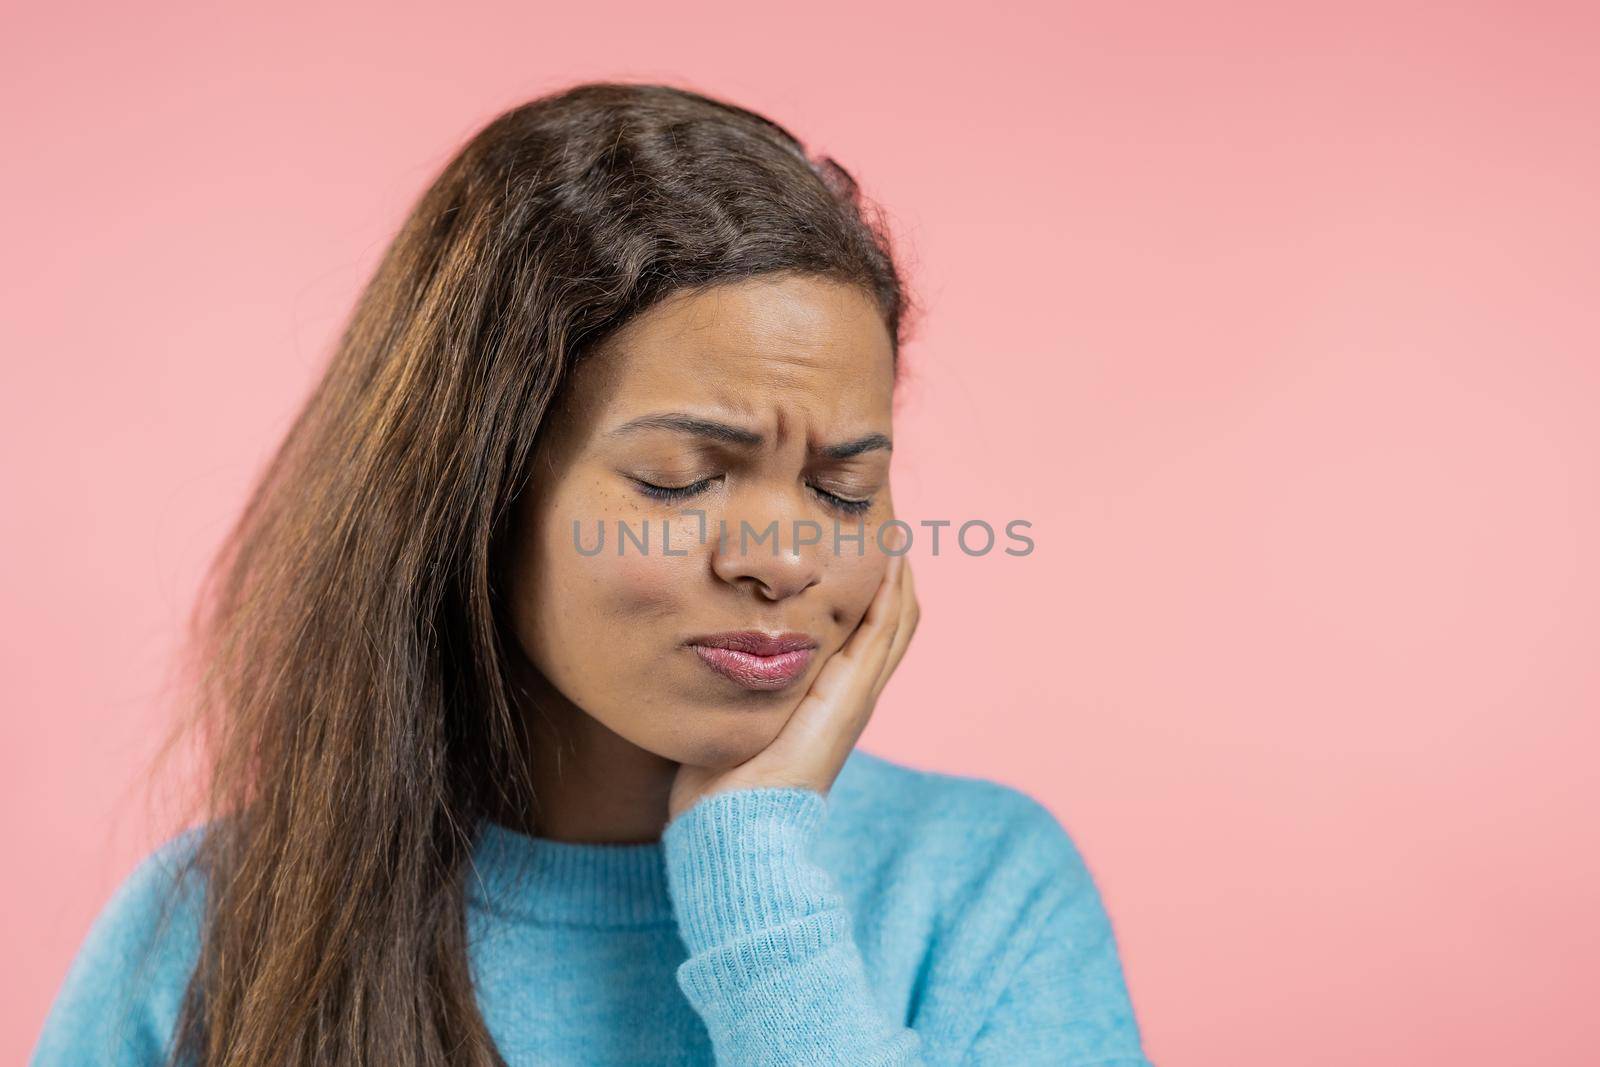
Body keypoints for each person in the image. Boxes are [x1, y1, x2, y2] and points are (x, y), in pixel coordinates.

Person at [30, 81, 1155, 1067]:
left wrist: (753, 871)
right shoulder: (216, 928)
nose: (784, 559)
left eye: (843, 489)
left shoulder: (981, 888)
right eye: (679, 479)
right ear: (478, 496)